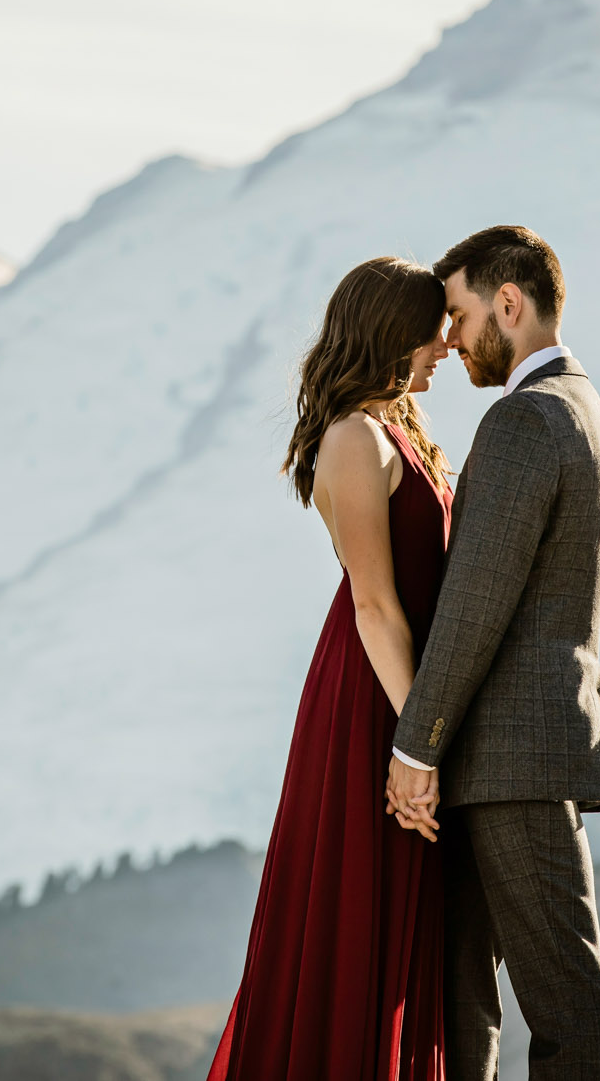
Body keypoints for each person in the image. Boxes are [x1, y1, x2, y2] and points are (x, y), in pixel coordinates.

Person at [386, 226, 600, 1081]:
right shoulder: (595, 418)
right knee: (463, 1005)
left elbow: (475, 605)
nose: (449, 339)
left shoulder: (525, 419)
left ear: (509, 301)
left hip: (511, 759)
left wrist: (414, 744)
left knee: (562, 1001)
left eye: (457, 315)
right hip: (519, 756)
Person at [209, 256, 455, 1080]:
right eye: (435, 329)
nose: (447, 347)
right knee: (360, 932)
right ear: (395, 330)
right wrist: (420, 743)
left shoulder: (399, 427)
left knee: (404, 933)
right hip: (370, 704)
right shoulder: (355, 437)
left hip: (401, 698)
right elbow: (376, 605)